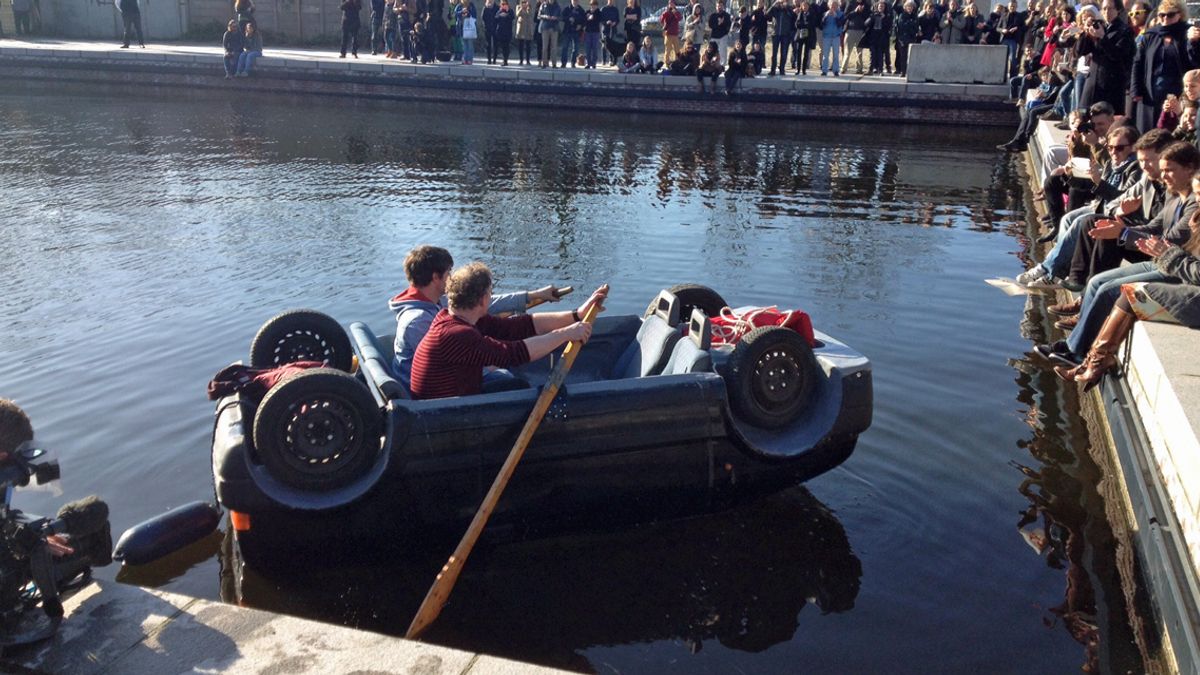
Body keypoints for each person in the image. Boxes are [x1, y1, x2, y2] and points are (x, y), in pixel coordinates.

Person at [1037, 143, 1200, 370]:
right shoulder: (1175, 196)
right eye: (1162, 170)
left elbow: (1171, 240)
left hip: (1178, 271)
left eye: (1169, 170)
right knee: (1097, 281)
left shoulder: (1192, 205)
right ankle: (1076, 337)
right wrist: (1121, 229)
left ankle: (1077, 352)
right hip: (1164, 261)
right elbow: (1154, 227)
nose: (1163, 176)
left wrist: (1123, 233)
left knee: (1110, 290)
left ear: (1189, 169)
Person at [409, 263, 607, 400]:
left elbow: (517, 326)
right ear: (483, 299)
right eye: (490, 293)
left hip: (457, 397)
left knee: (512, 384)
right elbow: (513, 354)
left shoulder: (452, 317)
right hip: (444, 413)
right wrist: (565, 334)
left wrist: (577, 315)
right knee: (519, 390)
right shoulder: (458, 334)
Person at [389, 246, 566, 392]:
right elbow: (437, 367)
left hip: (452, 374)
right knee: (510, 379)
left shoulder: (438, 303)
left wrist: (532, 295)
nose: (452, 277)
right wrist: (488, 366)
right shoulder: (418, 321)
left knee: (503, 365)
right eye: (449, 272)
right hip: (432, 395)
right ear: (436, 277)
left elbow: (484, 303)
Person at [1130, 0, 1200, 132]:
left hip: (1177, 93)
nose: (1165, 18)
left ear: (1180, 15)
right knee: (1148, 134)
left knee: (1173, 134)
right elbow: (1138, 62)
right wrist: (1136, 90)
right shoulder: (1151, 35)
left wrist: (1194, 42)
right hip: (1150, 94)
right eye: (1162, 15)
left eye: (1170, 15)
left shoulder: (1187, 33)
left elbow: (1195, 62)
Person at [767, 0, 795, 75]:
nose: (782, 4)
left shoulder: (789, 9)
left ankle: (782, 69)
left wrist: (787, 8)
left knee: (784, 53)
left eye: (784, 2)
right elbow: (767, 14)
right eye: (781, 2)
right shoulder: (775, 9)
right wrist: (773, 5)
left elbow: (793, 17)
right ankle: (773, 70)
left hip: (785, 35)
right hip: (776, 34)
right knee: (774, 53)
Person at [863, 0, 890, 75]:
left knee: (880, 54)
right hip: (873, 37)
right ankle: (870, 70)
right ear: (877, 7)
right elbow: (866, 24)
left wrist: (884, 18)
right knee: (872, 54)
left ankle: (880, 70)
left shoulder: (887, 16)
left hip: (881, 38)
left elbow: (889, 26)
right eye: (880, 6)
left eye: (882, 6)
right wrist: (872, 17)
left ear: (884, 8)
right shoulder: (873, 14)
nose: (881, 7)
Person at [843, 0, 868, 73]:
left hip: (861, 31)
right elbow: (846, 16)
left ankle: (859, 69)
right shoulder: (850, 2)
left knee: (859, 52)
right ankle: (843, 68)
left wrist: (862, 11)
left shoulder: (866, 4)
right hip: (850, 30)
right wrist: (855, 11)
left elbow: (867, 17)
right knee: (847, 52)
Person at [820, 0, 844, 75]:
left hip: (836, 36)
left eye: (835, 5)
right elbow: (821, 25)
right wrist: (825, 16)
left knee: (836, 54)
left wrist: (835, 16)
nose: (833, 7)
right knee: (825, 54)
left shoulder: (841, 14)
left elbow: (840, 24)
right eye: (831, 5)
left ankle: (836, 70)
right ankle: (824, 70)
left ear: (838, 6)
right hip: (826, 36)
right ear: (829, 6)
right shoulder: (825, 14)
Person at [893, 0, 917, 76]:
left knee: (911, 56)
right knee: (903, 56)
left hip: (911, 38)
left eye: (911, 6)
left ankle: (909, 71)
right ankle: (903, 71)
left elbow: (916, 26)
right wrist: (911, 23)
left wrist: (910, 24)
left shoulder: (914, 15)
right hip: (902, 39)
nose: (910, 8)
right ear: (905, 7)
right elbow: (902, 25)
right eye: (908, 6)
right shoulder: (902, 15)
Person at [709, 0, 733, 67]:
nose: (719, 7)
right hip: (714, 36)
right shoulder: (713, 15)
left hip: (723, 36)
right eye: (718, 6)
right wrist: (718, 23)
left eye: (721, 6)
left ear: (723, 6)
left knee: (722, 52)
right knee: (712, 52)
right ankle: (712, 65)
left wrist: (723, 23)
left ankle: (722, 66)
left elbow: (729, 26)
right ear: (716, 7)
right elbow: (710, 25)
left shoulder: (727, 15)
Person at [538, 0, 561, 67]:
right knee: (544, 46)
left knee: (554, 47)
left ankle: (554, 63)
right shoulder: (543, 5)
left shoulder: (558, 6)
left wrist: (556, 18)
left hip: (554, 28)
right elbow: (539, 16)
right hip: (545, 27)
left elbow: (561, 17)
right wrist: (545, 16)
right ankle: (544, 63)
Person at [561, 0, 584, 66]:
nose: (575, 2)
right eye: (574, 1)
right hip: (567, 31)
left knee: (576, 48)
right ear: (571, 1)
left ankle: (573, 62)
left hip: (576, 31)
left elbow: (584, 20)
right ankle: (563, 63)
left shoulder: (581, 10)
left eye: (576, 1)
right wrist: (569, 18)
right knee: (565, 47)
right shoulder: (567, 9)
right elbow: (562, 17)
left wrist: (580, 26)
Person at [583, 0, 603, 67]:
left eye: (595, 5)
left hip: (596, 32)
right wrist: (588, 18)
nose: (593, 6)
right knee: (588, 48)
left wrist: (593, 17)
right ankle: (588, 63)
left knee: (595, 48)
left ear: (597, 6)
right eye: (592, 5)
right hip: (588, 32)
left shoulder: (599, 12)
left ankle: (594, 63)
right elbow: (584, 21)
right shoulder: (587, 12)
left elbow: (599, 20)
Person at [600, 0, 620, 64]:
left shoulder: (615, 9)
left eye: (612, 0)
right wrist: (606, 22)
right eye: (610, 0)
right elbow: (601, 20)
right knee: (604, 45)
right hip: (605, 30)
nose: (611, 1)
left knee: (612, 46)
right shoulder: (603, 9)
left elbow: (618, 20)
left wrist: (615, 23)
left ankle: (611, 60)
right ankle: (604, 60)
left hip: (613, 30)